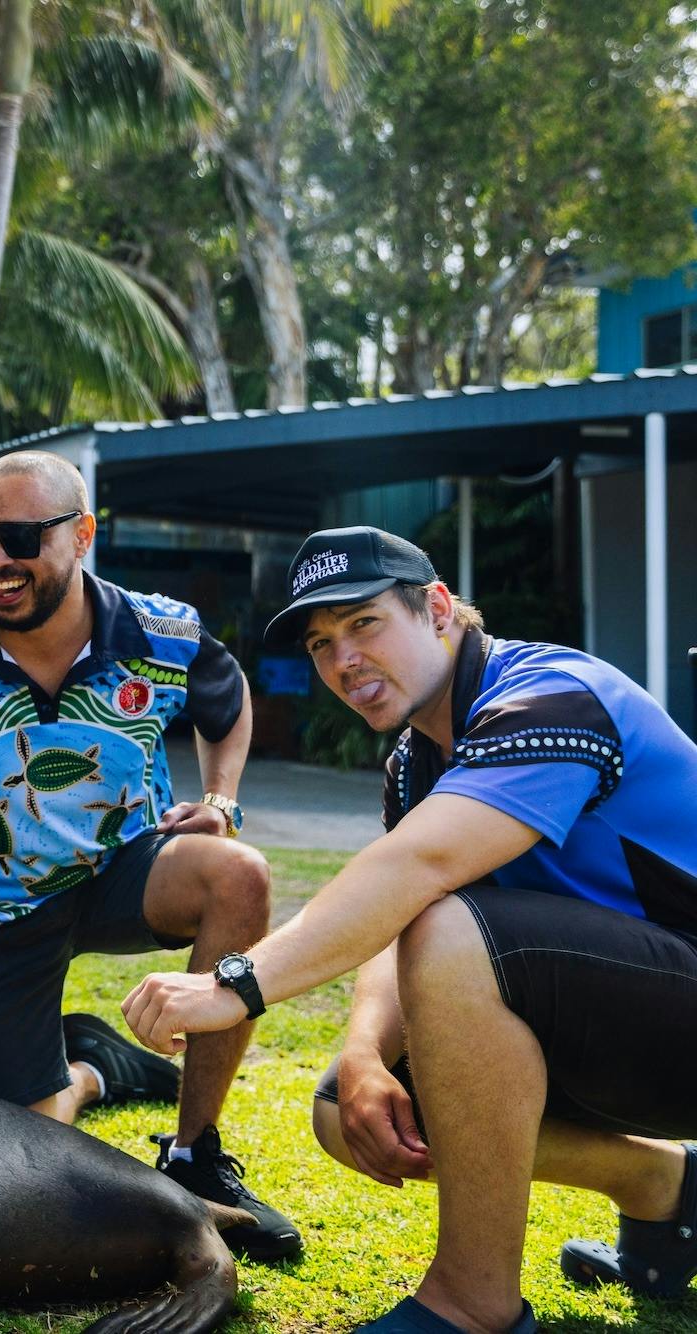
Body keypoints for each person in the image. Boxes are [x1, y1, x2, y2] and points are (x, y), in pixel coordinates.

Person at [123, 524, 697, 1334]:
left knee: (464, 935)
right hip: (631, 1026)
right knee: (345, 1107)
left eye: (363, 624)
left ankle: (471, 1304)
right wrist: (361, 1056)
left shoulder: (552, 695)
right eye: (322, 643)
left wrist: (236, 984)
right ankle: (664, 1190)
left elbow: (413, 874)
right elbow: (402, 919)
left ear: (435, 609)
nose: (343, 660)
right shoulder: (414, 762)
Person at [0, 449, 300, 1262]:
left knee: (238, 873)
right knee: (16, 1162)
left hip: (123, 873)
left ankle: (196, 1156)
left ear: (83, 535)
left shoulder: (161, 631)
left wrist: (223, 800)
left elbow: (228, 704)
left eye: (22, 536)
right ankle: (95, 1067)